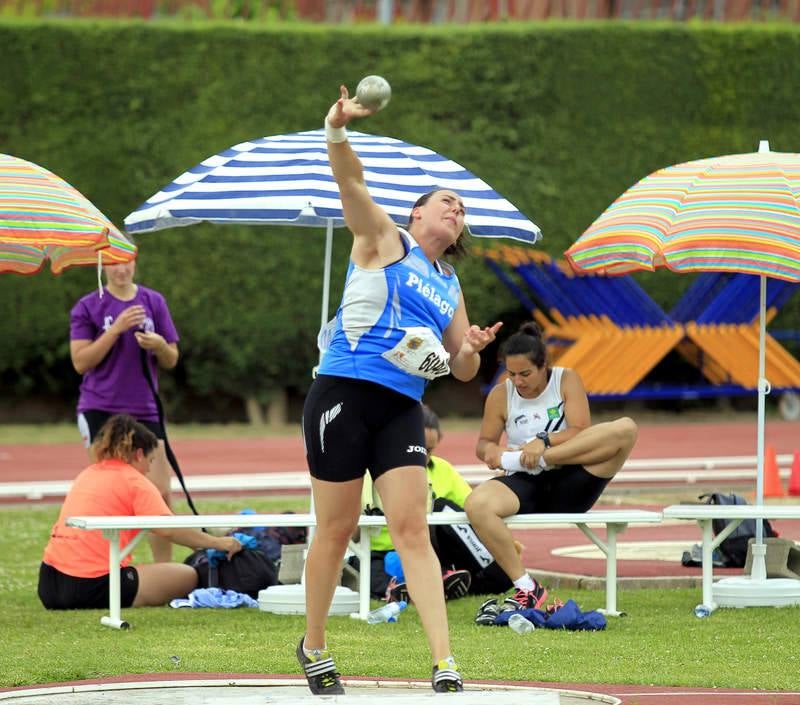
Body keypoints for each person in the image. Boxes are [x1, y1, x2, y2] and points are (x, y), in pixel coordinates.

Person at [297, 84, 502, 696]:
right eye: (447, 201)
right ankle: (313, 645)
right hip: (342, 394)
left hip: (402, 406)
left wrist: (468, 351)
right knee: (334, 530)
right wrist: (337, 129)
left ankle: (444, 661)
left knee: (413, 528)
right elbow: (350, 183)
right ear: (416, 214)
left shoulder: (450, 282)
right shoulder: (385, 241)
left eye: (462, 208)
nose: (456, 210)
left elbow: (461, 371)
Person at [465, 322, 638, 611]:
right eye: (512, 374)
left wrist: (543, 444)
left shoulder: (566, 379)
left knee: (625, 429)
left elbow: (581, 431)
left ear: (544, 365)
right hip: (524, 481)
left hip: (570, 478)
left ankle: (542, 459)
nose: (518, 381)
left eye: (526, 374)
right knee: (477, 504)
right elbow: (483, 444)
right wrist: (493, 451)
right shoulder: (501, 394)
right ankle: (526, 587)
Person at [38, 414, 242, 610]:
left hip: (49, 584)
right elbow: (169, 529)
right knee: (188, 575)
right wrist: (218, 543)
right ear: (138, 454)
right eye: (150, 461)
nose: (148, 469)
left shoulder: (87, 474)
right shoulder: (134, 481)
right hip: (91, 586)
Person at [70, 257, 179, 562]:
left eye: (126, 261)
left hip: (144, 408)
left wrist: (158, 344)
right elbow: (81, 362)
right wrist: (115, 330)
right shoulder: (88, 306)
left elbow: (171, 358)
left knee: (160, 492)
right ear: (102, 266)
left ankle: (164, 568)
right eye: (113, 262)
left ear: (135, 261)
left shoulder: (153, 301)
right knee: (106, 491)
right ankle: (101, 566)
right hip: (99, 407)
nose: (121, 269)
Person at [362, 404, 514, 602]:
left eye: (430, 449)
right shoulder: (370, 470)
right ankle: (401, 588)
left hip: (431, 550)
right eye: (417, 447)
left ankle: (490, 571)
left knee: (444, 508)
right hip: (379, 553)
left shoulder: (443, 469)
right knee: (364, 565)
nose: (423, 456)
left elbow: (472, 509)